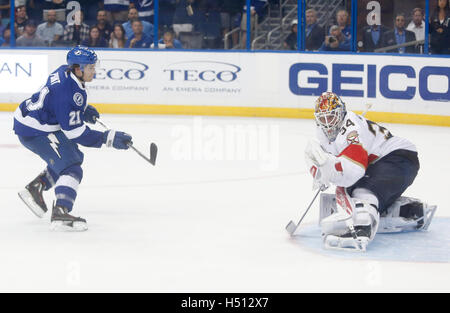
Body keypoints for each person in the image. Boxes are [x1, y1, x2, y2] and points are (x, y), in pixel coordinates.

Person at [14, 46, 132, 232]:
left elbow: (57, 102)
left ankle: (36, 188)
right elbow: (76, 134)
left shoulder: (64, 71)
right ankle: (61, 211)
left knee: (73, 155)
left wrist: (81, 111)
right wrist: (108, 138)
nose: (94, 71)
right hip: (35, 130)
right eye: (90, 67)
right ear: (78, 68)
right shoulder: (69, 94)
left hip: (34, 120)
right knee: (72, 167)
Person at [305, 92, 435, 251]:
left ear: (341, 113)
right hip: (385, 162)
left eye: (331, 117)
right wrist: (323, 172)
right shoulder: (323, 132)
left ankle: (361, 228)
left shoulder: (352, 129)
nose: (327, 124)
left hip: (399, 158)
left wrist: (330, 171)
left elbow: (354, 172)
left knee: (361, 190)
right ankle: (408, 212)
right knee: (353, 192)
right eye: (322, 118)